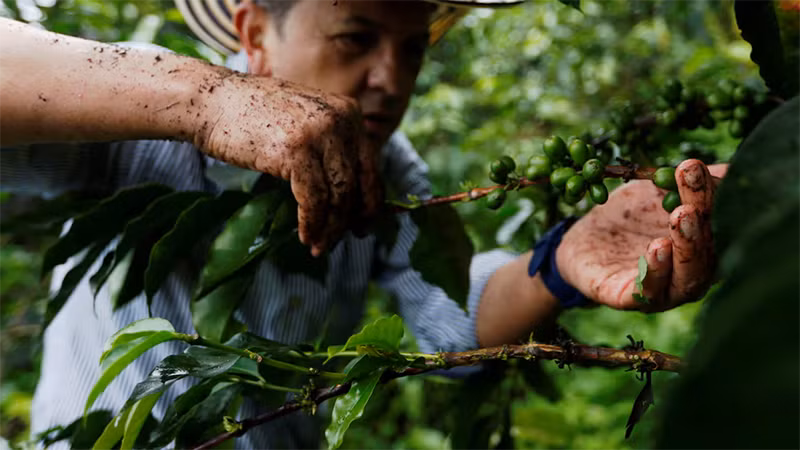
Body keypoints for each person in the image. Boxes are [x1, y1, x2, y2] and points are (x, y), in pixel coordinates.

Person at [0, 0, 722, 448]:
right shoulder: (140, 126)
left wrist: (559, 263)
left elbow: (446, 312)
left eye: (412, 48)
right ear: (253, 31)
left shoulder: (389, 169)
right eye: (355, 38)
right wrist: (206, 102)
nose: (392, 79)